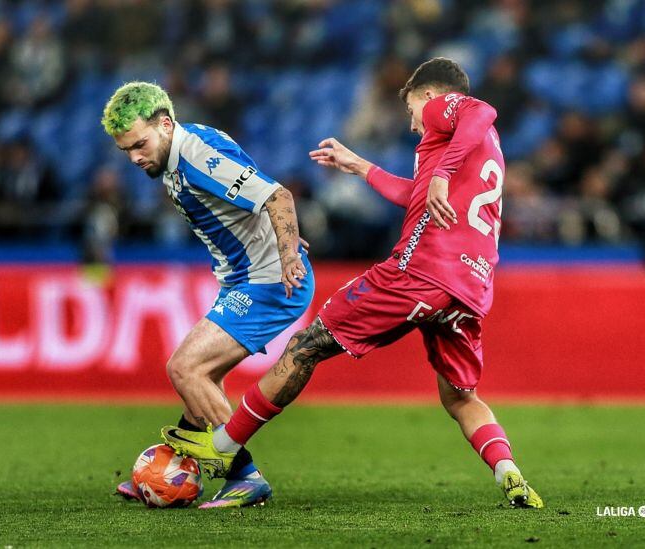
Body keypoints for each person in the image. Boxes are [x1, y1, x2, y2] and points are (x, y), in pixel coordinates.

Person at [162, 58, 543, 508]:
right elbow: (413, 195)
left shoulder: (449, 109)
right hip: (470, 289)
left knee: (305, 347)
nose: (414, 126)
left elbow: (481, 112)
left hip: (419, 272)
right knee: (461, 396)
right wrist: (359, 165)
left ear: (428, 96)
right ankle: (510, 473)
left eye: (410, 113)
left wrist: (439, 176)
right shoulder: (479, 149)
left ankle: (223, 447)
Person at [101, 82, 314, 508]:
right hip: (243, 278)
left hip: (270, 280)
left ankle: (245, 474)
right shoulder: (176, 154)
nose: (135, 157)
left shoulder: (198, 156)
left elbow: (278, 195)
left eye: (140, 144)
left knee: (186, 368)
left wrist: (288, 253)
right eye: (126, 151)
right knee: (202, 374)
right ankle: (178, 466)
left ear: (166, 124)